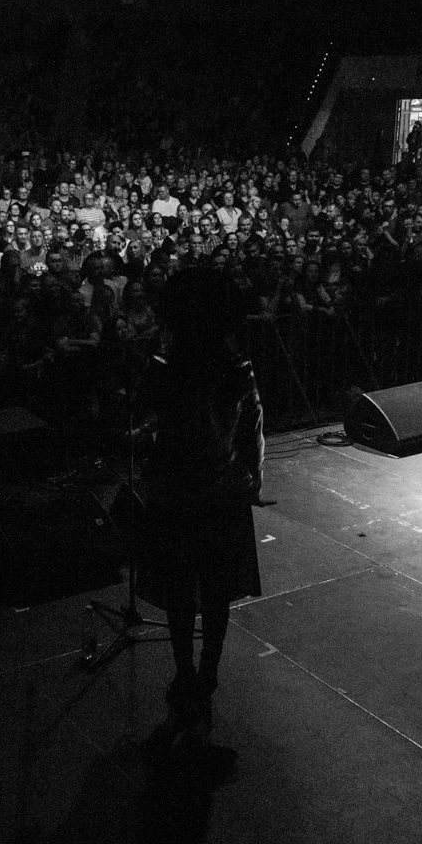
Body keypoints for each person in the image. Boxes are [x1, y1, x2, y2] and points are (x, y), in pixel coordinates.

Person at [135, 267, 264, 753]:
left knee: (181, 594)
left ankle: (187, 688)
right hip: (218, 490)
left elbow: (147, 417)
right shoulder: (233, 363)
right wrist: (252, 479)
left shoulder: (166, 363)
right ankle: (199, 693)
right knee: (213, 595)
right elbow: (251, 426)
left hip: (179, 491)